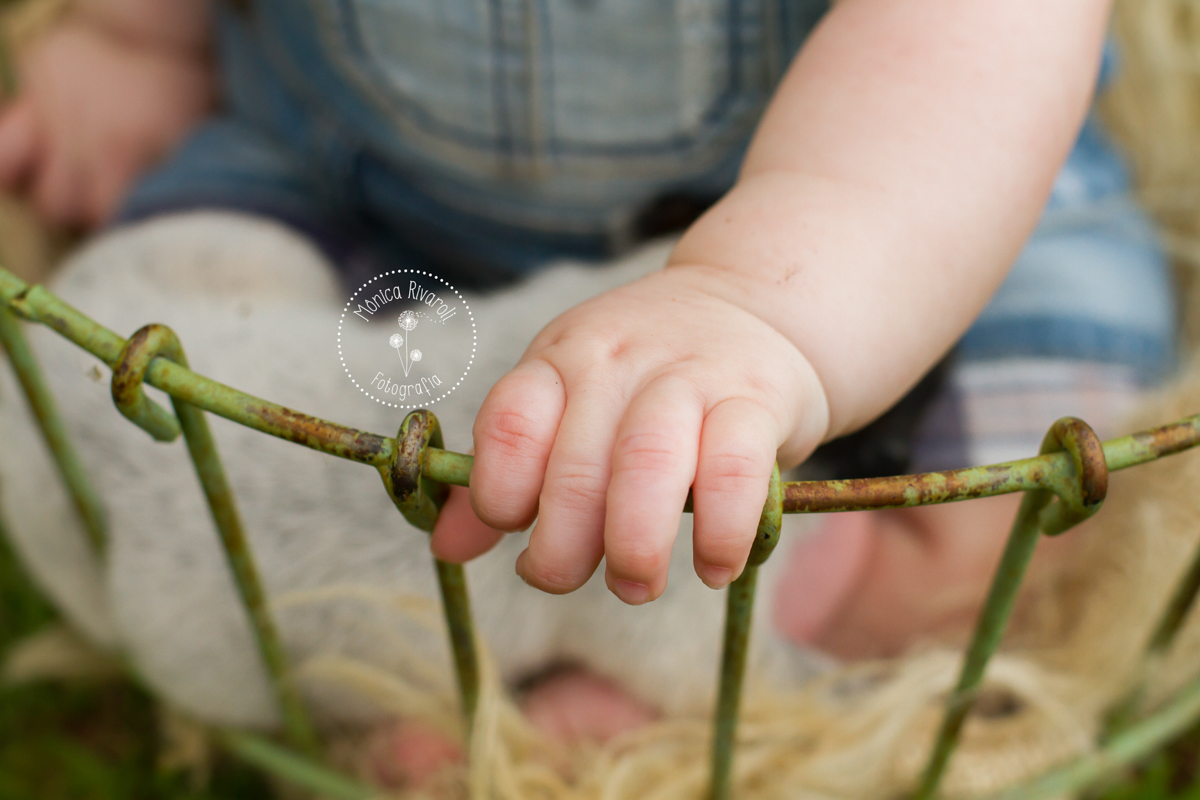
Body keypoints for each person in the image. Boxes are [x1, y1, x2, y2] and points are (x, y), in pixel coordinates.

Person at [0, 0, 1177, 744]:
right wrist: (135, 33)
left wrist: (756, 304)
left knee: (1028, 507)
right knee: (131, 359)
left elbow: (967, 45)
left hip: (896, 229)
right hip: (352, 189)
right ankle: (488, 613)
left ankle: (686, 670)